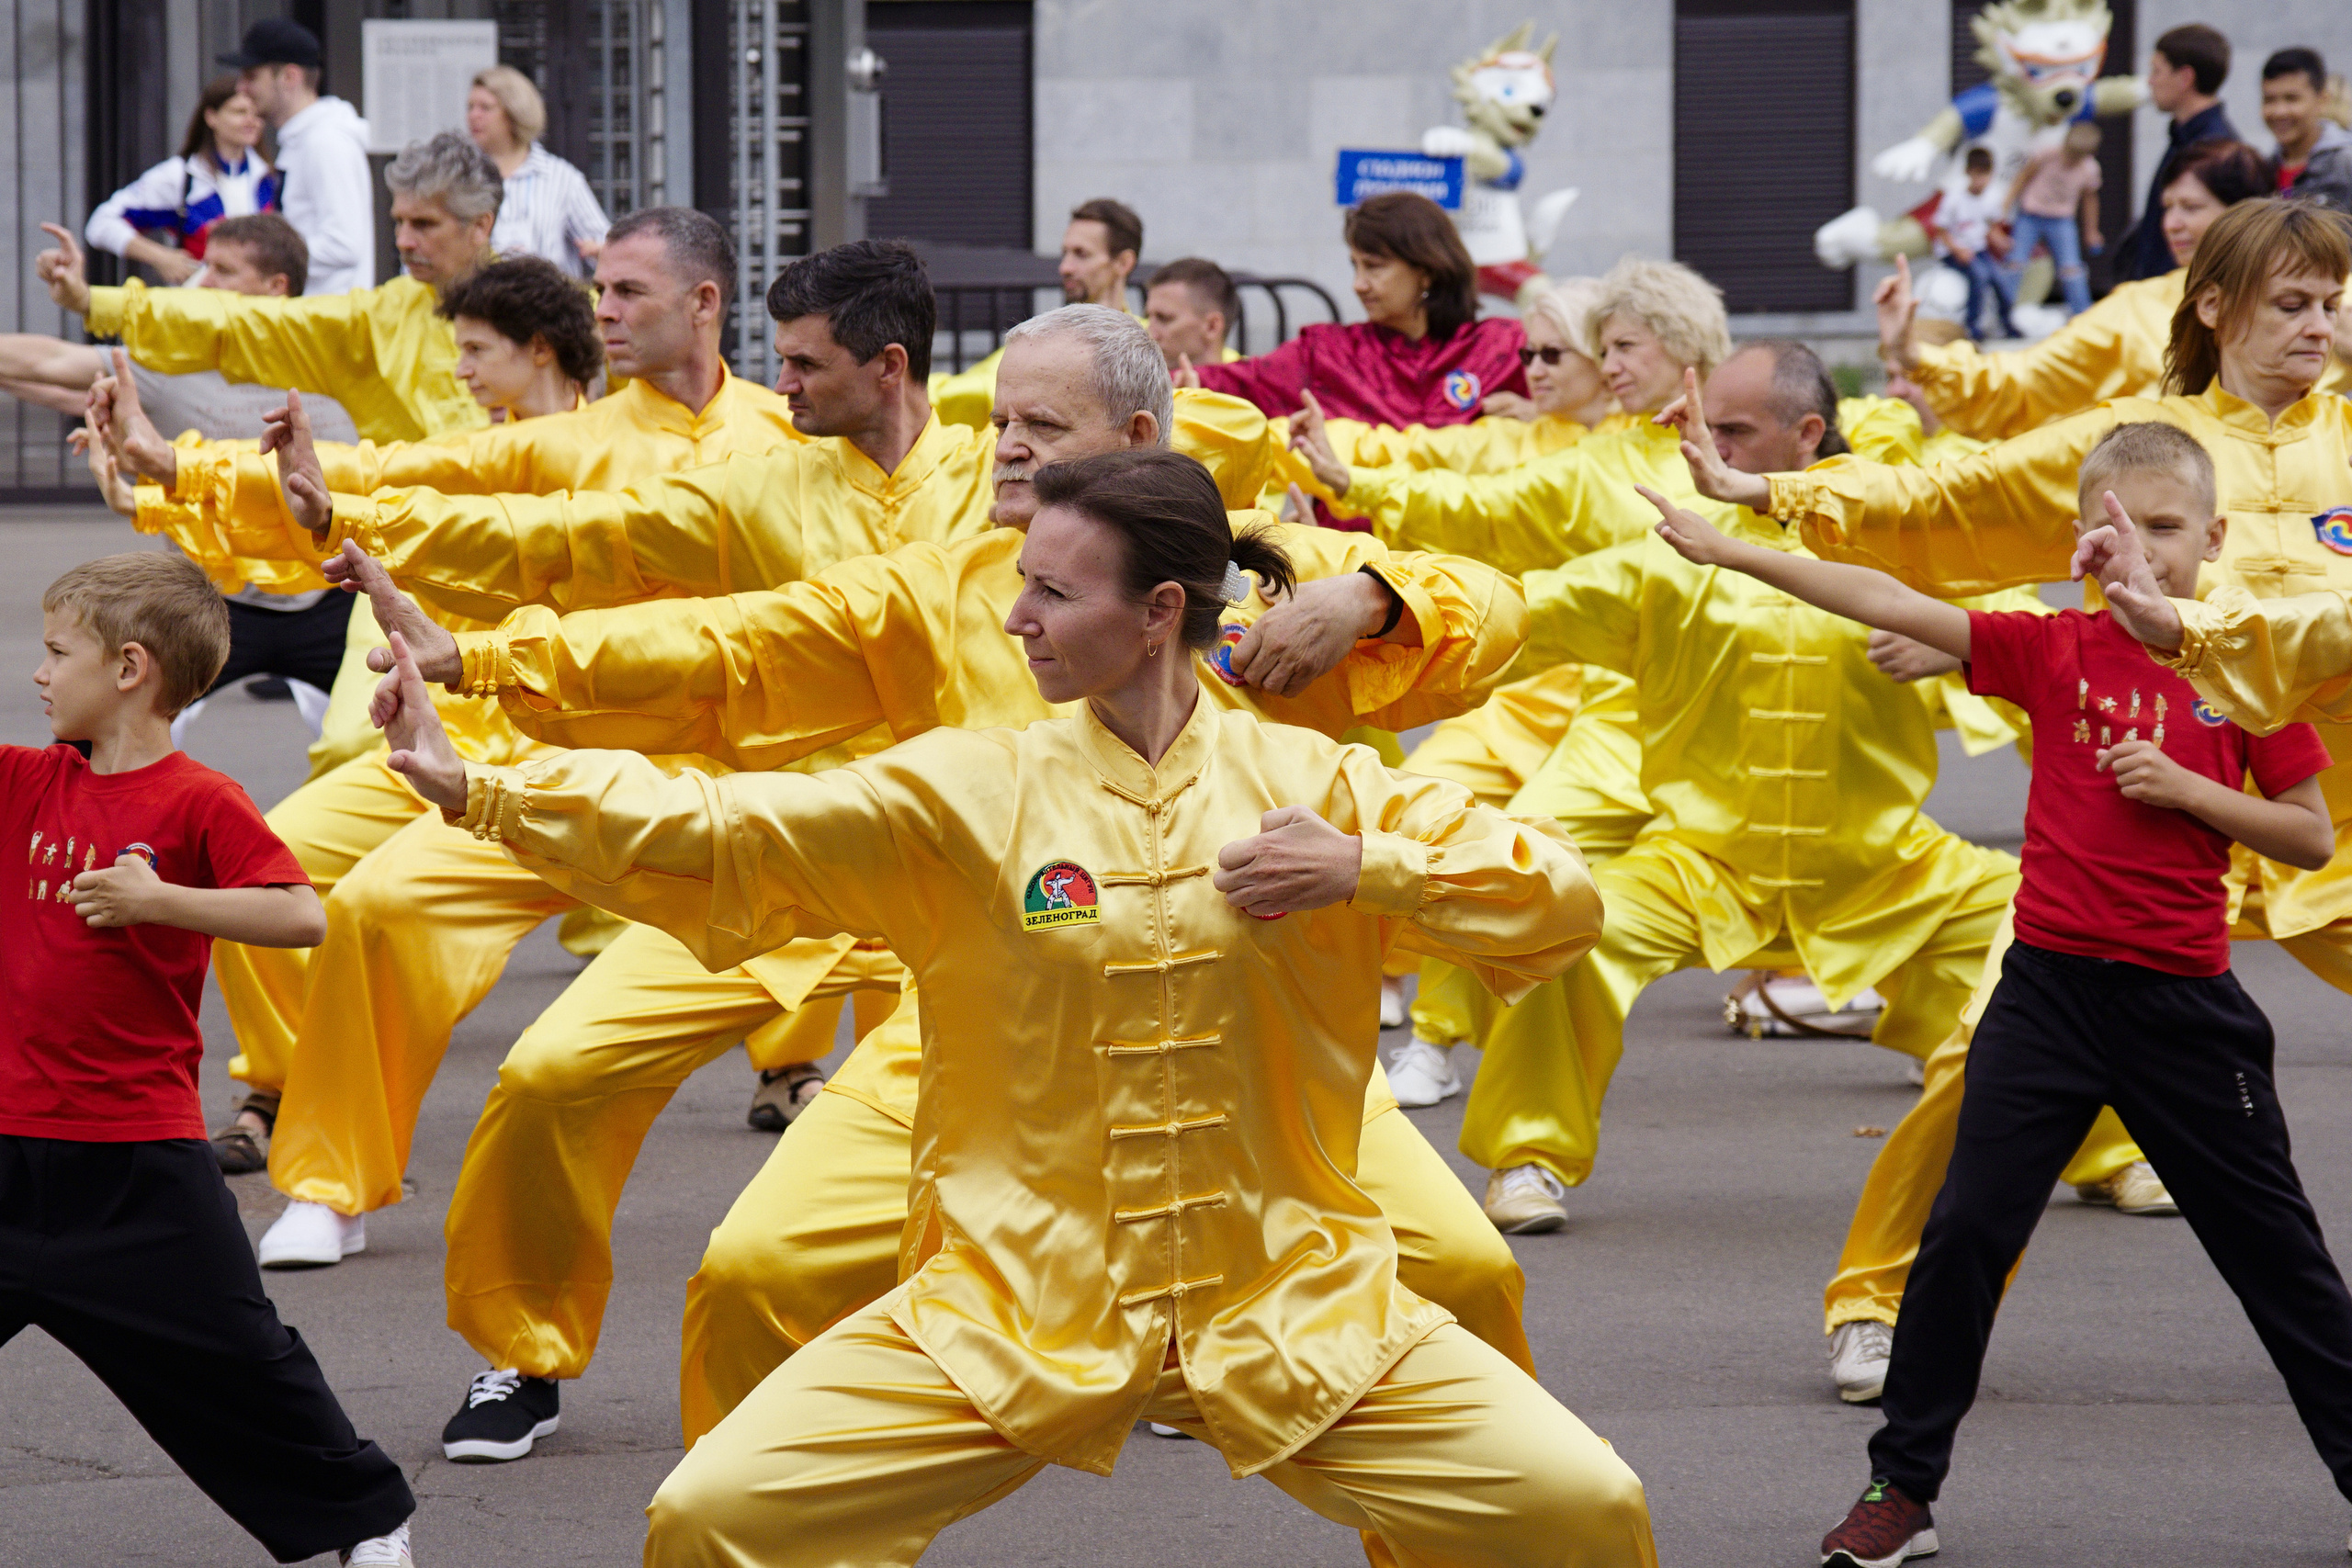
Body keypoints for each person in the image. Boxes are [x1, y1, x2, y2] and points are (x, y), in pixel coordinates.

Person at [369, 445, 1658, 1568]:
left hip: (1297, 1295)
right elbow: (726, 828)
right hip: (1008, 1300)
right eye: (1019, 584)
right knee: (714, 1512)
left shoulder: (1319, 781)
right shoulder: (968, 789)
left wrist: (1365, 868)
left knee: (1586, 1503)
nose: (1018, 619)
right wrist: (475, 787)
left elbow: (1560, 900)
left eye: (1052, 591)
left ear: (1160, 611)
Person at [1683, 197, 2352, 1405]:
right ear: (2215, 306)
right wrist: (1766, 496)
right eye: (2293, 301)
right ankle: (1878, 1305)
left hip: (2315, 824)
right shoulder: (2133, 438)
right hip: (2129, 827)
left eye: (2332, 301)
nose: (2321, 324)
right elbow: (1954, 498)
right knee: (1979, 1057)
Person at [1648, 425, 2352, 1568]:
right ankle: (1900, 1490)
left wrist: (2185, 791)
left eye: (2166, 529)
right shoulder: (2048, 650)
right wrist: (1733, 549)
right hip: (2048, 997)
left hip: (2185, 1009)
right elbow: (1882, 593)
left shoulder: (2244, 664)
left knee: (2280, 1262)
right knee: (1966, 1232)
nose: (2142, 550)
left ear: (2213, 538)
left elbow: (2310, 837)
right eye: (2115, 528)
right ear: (2081, 543)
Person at [83, 224, 846, 1235]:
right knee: (378, 907)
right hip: (544, 757)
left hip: (731, 776)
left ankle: (847, 1114)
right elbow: (425, 473)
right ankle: (326, 1174)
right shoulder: (574, 440)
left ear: (704, 303)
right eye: (599, 291)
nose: (604, 310)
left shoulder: (789, 433)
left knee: (909, 903)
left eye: (627, 291)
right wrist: (184, 470)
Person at [1, 551, 415, 1568]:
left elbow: (300, 914)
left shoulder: (197, 800)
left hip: (136, 1164)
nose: (40, 673)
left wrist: (160, 902)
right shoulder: (24, 784)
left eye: (60, 654)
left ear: (131, 667)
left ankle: (368, 1518)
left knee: (242, 1363)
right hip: (9, 1147)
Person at [37, 130, 501, 446]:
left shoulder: (552, 313)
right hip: (406, 563)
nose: (403, 241)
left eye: (424, 224)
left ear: (480, 225)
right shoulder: (381, 316)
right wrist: (92, 301)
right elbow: (243, 322)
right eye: (398, 221)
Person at [1882, 138, 2280, 441]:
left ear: (2244, 214)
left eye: (2190, 208)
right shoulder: (2137, 305)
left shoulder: (2330, 300)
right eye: (2167, 208)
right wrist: (1918, 357)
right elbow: (2028, 380)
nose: (2171, 224)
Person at [1185, 191, 1530, 437]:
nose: (1358, 285)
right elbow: (1242, 382)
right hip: (1354, 539)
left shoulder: (1504, 347)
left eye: (1374, 267)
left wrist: (1544, 416)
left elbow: (1580, 400)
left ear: (1427, 270)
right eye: (1355, 266)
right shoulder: (1327, 353)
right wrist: (1179, 384)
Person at [930, 197, 1144, 429]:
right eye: (1065, 253)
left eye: (1081, 254)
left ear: (1123, 262)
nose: (1065, 267)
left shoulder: (1153, 342)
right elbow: (975, 387)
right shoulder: (1047, 339)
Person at [218, 17, 374, 295]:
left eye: (252, 76)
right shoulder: (306, 140)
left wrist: (259, 259)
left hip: (326, 324)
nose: (241, 87)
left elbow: (344, 245)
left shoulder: (325, 141)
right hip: (312, 319)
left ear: (290, 77)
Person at [85, 76, 276, 287]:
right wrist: (160, 257)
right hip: (199, 308)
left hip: (258, 311)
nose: (252, 121)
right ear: (211, 117)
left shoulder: (270, 177)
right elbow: (101, 223)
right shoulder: (179, 176)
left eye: (257, 114)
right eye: (240, 112)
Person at [2119, 22, 2238, 283]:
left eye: (2156, 71)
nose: (2150, 81)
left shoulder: (2215, 148)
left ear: (2185, 77)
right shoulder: (2186, 136)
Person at [468, 65, 610, 277]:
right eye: (469, 107)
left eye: (485, 108)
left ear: (515, 111)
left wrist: (600, 251)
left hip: (547, 306)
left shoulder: (561, 178)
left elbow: (605, 244)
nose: (473, 116)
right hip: (476, 305)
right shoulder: (461, 178)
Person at [436, 255, 603, 422]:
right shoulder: (489, 447)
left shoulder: (613, 440)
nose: (461, 372)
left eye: (476, 349)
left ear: (540, 348)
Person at [2005, 119, 2104, 318]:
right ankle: (2004, 311)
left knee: (2071, 268)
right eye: (2069, 153)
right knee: (2015, 263)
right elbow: (2023, 178)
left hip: (2061, 219)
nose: (2070, 160)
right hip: (2031, 214)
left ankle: (2083, 315)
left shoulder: (2090, 169)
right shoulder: (2047, 154)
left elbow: (2090, 200)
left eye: (2076, 157)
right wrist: (2005, 205)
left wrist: (2091, 230)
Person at [1934, 147, 2013, 342]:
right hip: (1953, 251)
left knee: (2002, 280)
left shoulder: (1993, 197)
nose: (1980, 181)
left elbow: (1991, 227)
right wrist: (1957, 249)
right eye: (1976, 174)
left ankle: (2007, 323)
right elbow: (1940, 230)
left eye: (1984, 175)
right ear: (1967, 173)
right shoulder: (1954, 198)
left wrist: (2002, 242)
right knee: (1979, 276)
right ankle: (1972, 326)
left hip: (1978, 249)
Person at [2263, 47, 2352, 211]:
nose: (2279, 111)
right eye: (2269, 100)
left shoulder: (2344, 166)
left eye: (2292, 99)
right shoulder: (2263, 171)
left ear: (2322, 100)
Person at [1143, 254, 1241, 369]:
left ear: (1212, 326)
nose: (1150, 334)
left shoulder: (1251, 382)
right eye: (1148, 317)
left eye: (1164, 319)